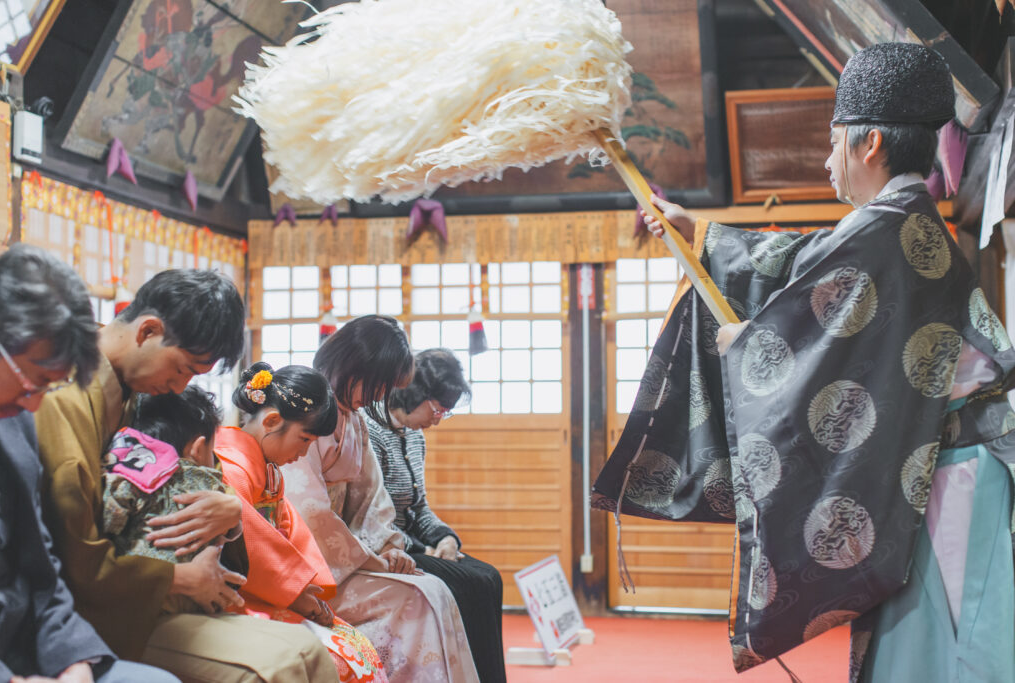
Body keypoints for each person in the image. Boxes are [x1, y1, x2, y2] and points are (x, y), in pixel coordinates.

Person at [594, 42, 1015, 682]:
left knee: (951, 652)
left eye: (833, 141)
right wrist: (701, 236)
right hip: (934, 466)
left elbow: (813, 328)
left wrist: (756, 351)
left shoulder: (886, 228)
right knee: (922, 644)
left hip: (948, 474)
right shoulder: (896, 222)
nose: (827, 160)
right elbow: (806, 266)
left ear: (869, 143)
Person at [35, 269, 343, 681]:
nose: (183, 384)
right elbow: (77, 553)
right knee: (273, 667)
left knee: (308, 651)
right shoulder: (63, 396)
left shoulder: (144, 384)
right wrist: (179, 577)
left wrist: (229, 511)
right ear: (148, 331)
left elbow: (206, 478)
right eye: (183, 368)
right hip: (109, 601)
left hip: (163, 586)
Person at [0, 244, 177, 682]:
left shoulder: (12, 424)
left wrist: (76, 661)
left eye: (47, 387)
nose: (34, 405)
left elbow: (43, 569)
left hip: (28, 649)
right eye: (30, 382)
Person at [282, 315, 480, 682]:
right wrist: (370, 558)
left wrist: (390, 547)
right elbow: (308, 511)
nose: (379, 396)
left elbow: (372, 499)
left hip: (348, 559)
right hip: (310, 569)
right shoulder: (307, 407)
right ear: (357, 366)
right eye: (380, 384)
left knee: (435, 590)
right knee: (417, 600)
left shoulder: (354, 419)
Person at [216, 362, 387, 683]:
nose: (305, 451)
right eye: (304, 439)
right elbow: (249, 544)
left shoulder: (268, 469)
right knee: (334, 659)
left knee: (354, 645)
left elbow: (287, 533)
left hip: (268, 590)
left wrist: (305, 590)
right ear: (271, 421)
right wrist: (294, 594)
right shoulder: (231, 468)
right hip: (238, 595)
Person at [366, 348, 506, 683]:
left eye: (447, 411)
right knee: (469, 583)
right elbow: (370, 518)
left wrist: (445, 539)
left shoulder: (414, 435)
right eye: (438, 408)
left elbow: (419, 507)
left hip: (412, 544)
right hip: (386, 548)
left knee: (489, 576)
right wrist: (423, 549)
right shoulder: (371, 432)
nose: (440, 417)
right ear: (415, 393)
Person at [101, 386, 248, 613]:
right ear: (198, 449)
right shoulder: (212, 483)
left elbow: (108, 518)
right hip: (197, 600)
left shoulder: (130, 474)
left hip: (141, 596)